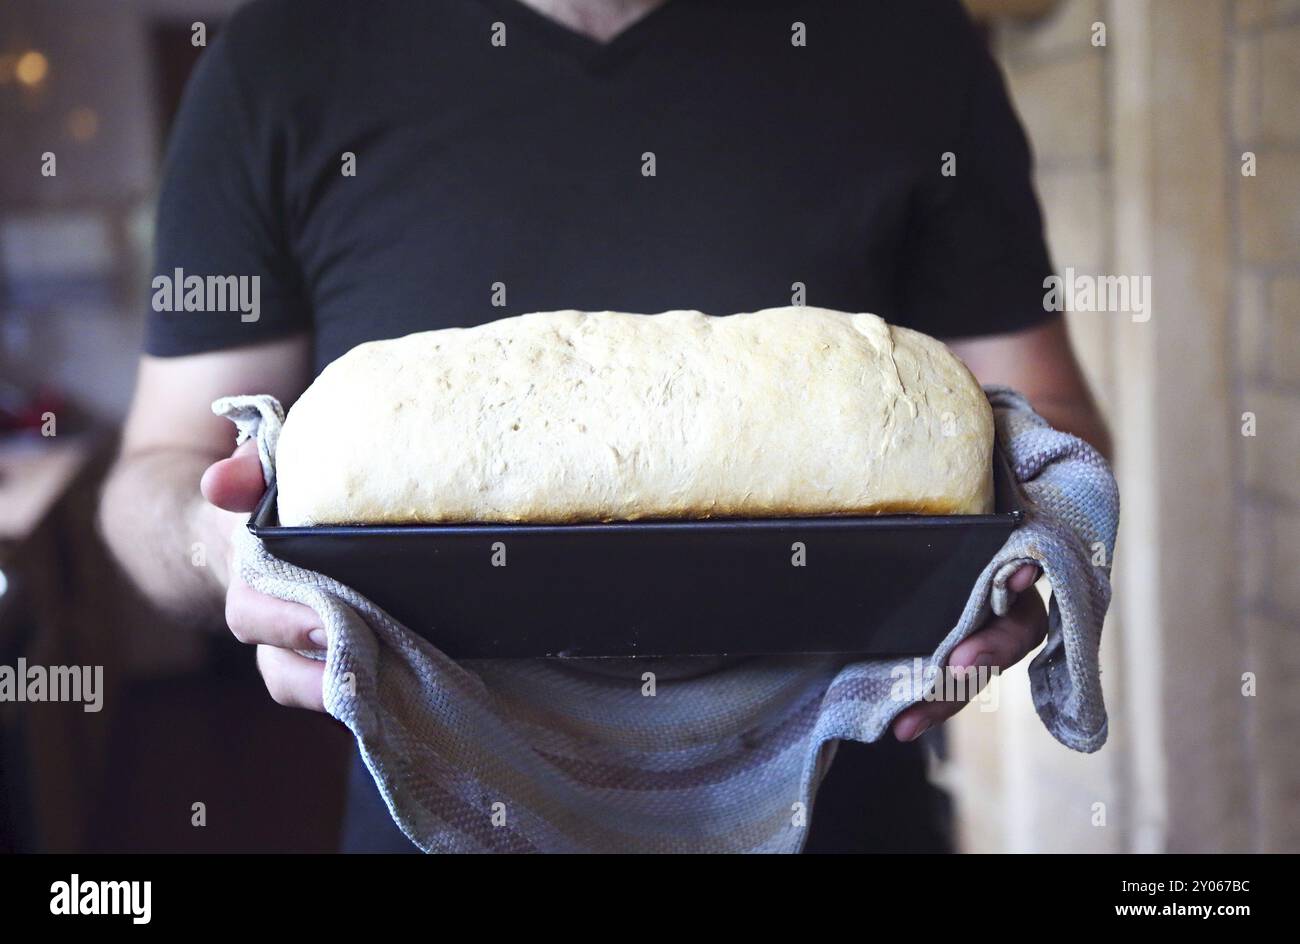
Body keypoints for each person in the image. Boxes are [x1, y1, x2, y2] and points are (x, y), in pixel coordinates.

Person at [99, 0, 1110, 853]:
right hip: (440, 820)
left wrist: (1033, 547)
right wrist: (221, 546)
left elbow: (1044, 419)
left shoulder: (905, 37)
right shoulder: (283, 56)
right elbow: (158, 466)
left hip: (845, 804)